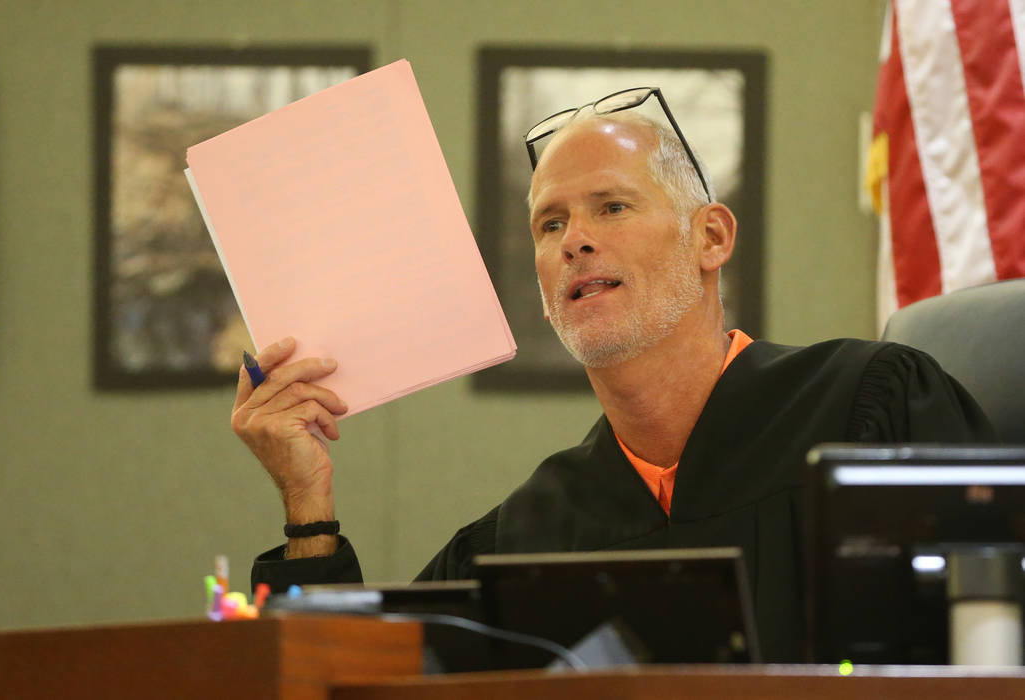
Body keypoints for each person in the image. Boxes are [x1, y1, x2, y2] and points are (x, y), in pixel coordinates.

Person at [231, 90, 993, 661]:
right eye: (551, 224)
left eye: (612, 206)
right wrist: (307, 499)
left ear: (712, 237)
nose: (576, 242)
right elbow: (352, 681)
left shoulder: (869, 405)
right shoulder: (527, 533)